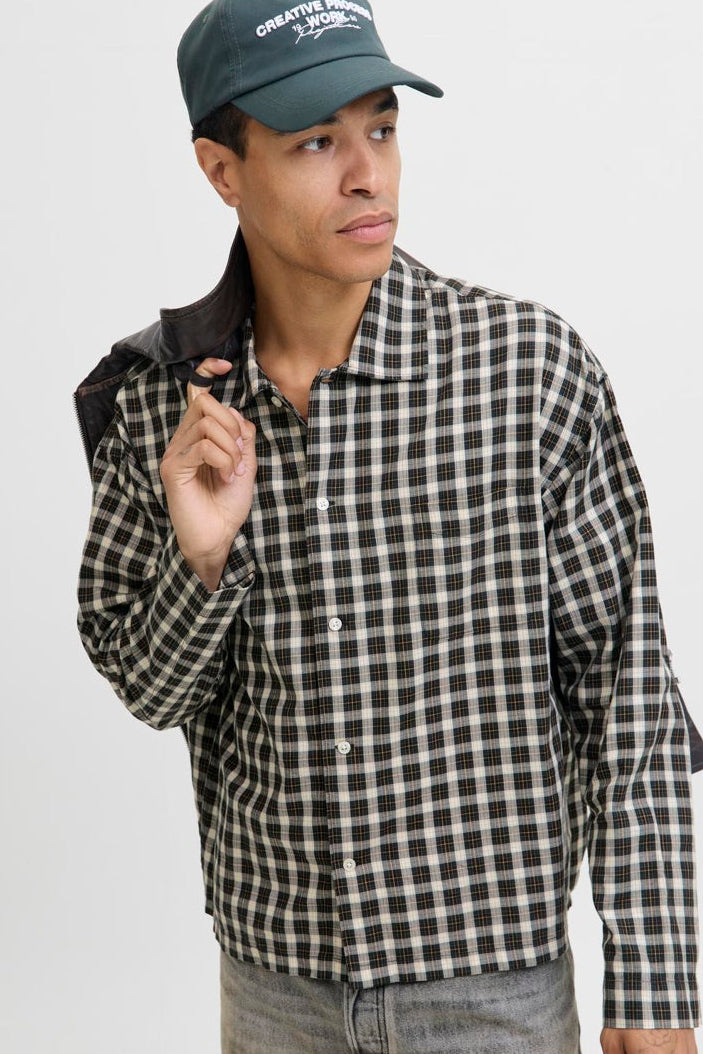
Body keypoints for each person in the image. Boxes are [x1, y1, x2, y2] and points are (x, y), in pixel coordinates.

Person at [76, 1, 700, 1051]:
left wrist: (657, 986)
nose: (369, 174)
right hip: (276, 996)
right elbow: (147, 690)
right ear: (222, 171)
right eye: (315, 142)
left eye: (382, 127)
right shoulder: (163, 406)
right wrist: (202, 562)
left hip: (493, 996)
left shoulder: (527, 373)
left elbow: (626, 698)